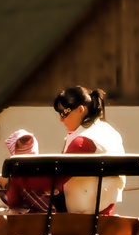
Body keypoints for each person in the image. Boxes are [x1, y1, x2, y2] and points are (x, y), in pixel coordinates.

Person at [54, 86, 127, 215]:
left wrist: (15, 181)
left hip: (81, 216)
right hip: (104, 211)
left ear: (81, 110)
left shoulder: (82, 141)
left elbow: (54, 180)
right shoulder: (110, 132)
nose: (61, 119)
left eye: (64, 113)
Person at [0, 128, 54, 213]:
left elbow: (14, 206)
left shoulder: (17, 179)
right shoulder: (46, 174)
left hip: (26, 220)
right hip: (51, 216)